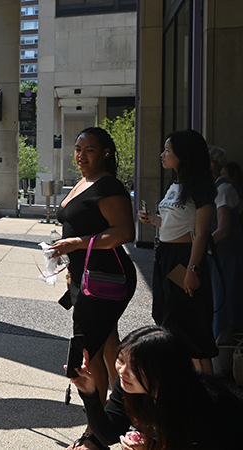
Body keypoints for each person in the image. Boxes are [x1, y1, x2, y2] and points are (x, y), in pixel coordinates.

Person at [49, 127, 136, 450]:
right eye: (77, 148)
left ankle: (95, 435)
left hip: (106, 278)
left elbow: (124, 232)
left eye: (89, 149)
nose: (81, 155)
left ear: (105, 153)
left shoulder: (109, 185)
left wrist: (77, 244)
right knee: (107, 342)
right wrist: (70, 262)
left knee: (90, 354)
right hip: (87, 275)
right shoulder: (83, 183)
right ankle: (124, 411)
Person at [69, 325, 243, 450]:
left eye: (135, 367)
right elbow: (108, 435)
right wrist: (90, 394)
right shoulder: (129, 384)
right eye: (121, 359)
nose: (122, 370)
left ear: (162, 372)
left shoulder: (204, 404)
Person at [138, 130, 218, 374]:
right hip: (166, 255)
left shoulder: (200, 187)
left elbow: (201, 233)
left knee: (186, 321)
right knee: (167, 315)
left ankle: (206, 389)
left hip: (184, 259)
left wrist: (192, 269)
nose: (162, 155)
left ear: (184, 155)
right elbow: (174, 222)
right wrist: (153, 220)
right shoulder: (175, 185)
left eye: (168, 151)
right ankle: (191, 383)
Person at [206, 146, 243, 374]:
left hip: (225, 254)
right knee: (217, 300)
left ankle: (225, 362)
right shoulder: (215, 188)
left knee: (225, 301)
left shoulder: (224, 189)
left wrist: (202, 246)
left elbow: (224, 229)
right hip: (217, 254)